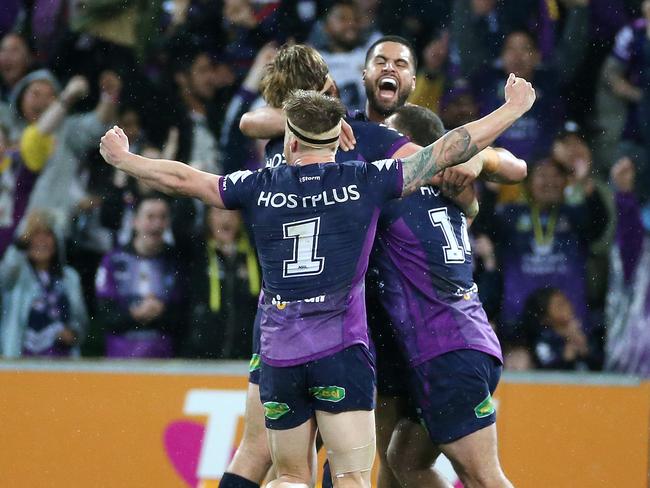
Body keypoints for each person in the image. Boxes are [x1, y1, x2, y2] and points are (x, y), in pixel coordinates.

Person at [99, 80, 536, 487]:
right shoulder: (366, 181)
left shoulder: (258, 185)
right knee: (350, 475)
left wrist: (125, 159)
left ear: (288, 141)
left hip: (280, 354)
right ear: (344, 138)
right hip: (341, 352)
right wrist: (511, 108)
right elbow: (450, 149)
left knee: (289, 476)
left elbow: (184, 179)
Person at [378, 104, 519, 488]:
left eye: (389, 137)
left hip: (447, 350)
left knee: (483, 476)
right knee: (405, 460)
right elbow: (512, 168)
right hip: (463, 342)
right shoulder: (453, 196)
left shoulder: (393, 197)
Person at [95, 196, 184, 358]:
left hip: (165, 362)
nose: (157, 224)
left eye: (163, 217)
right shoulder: (113, 260)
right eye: (150, 217)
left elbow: (184, 314)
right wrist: (134, 314)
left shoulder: (175, 261)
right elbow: (104, 314)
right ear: (135, 221)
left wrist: (161, 312)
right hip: (120, 361)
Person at [0, 209, 88, 358]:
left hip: (62, 358)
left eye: (47, 234)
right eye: (35, 234)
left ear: (56, 240)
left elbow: (80, 320)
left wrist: (73, 332)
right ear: (26, 240)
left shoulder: (70, 277)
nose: (41, 241)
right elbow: (5, 273)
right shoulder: (16, 275)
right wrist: (20, 241)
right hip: (21, 359)